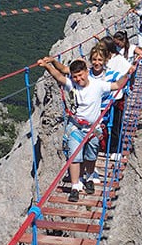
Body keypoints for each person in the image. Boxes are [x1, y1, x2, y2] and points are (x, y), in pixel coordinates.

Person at [37, 52, 134, 201]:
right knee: (74, 157)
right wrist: (47, 66)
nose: (78, 79)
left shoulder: (98, 85)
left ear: (87, 72)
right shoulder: (73, 85)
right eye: (75, 76)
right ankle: (75, 186)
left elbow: (117, 85)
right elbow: (59, 76)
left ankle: (89, 177)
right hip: (76, 127)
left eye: (81, 75)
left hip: (93, 129)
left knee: (91, 156)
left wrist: (127, 74)